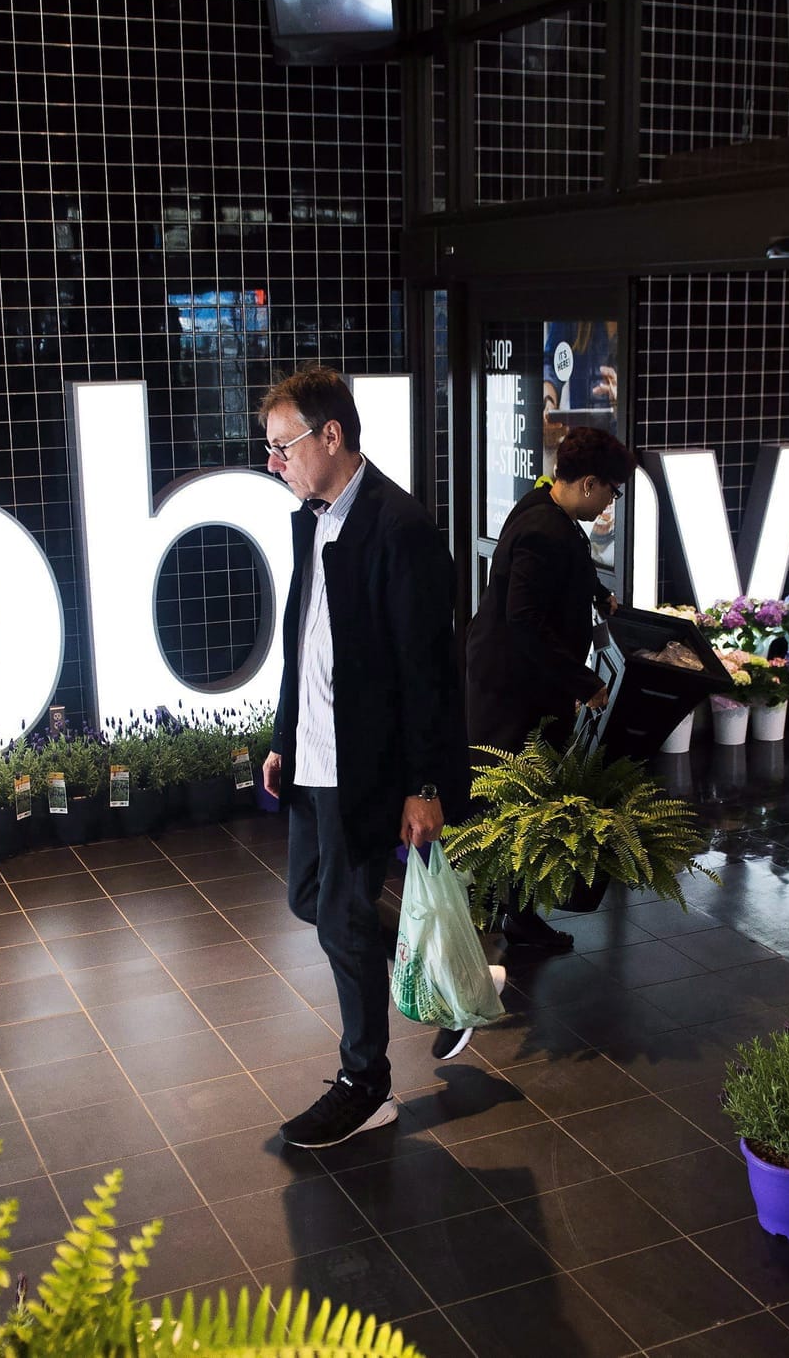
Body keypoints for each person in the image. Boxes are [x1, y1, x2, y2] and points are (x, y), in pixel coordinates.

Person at [258, 364, 469, 1150]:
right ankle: (448, 977)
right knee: (310, 899)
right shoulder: (312, 517)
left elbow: (428, 675)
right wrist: (285, 735)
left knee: (344, 918)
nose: (274, 463)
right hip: (313, 752)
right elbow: (303, 642)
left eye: (283, 447)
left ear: (332, 436)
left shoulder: (399, 527)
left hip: (368, 763)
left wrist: (426, 784)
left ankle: (366, 1080)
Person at [464, 426, 636, 952]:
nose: (611, 501)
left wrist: (594, 593)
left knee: (516, 801)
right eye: (612, 490)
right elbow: (525, 620)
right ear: (588, 483)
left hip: (509, 681)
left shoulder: (542, 503)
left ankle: (507, 912)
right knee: (517, 803)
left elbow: (566, 561)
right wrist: (586, 684)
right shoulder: (545, 527)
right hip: (515, 691)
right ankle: (506, 916)